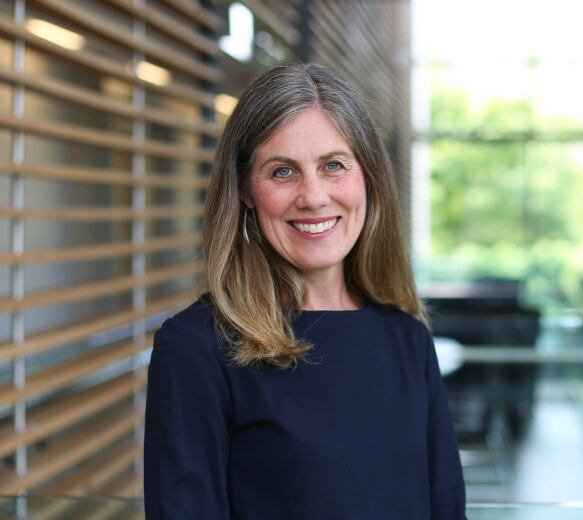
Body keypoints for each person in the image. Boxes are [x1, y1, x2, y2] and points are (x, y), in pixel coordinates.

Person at [143, 63, 466, 519]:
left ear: (367, 178)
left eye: (333, 165)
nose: (313, 196)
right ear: (246, 191)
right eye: (282, 172)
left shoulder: (408, 340)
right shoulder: (197, 349)